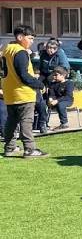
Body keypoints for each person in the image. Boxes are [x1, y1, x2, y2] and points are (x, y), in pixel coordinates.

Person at [1, 25, 48, 157]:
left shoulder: (6, 49)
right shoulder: (20, 52)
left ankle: (9, 147)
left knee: (11, 121)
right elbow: (24, 75)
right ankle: (30, 149)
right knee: (26, 121)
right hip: (23, 93)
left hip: (10, 92)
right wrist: (40, 85)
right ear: (20, 37)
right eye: (30, 38)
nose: (32, 41)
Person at [35, 39, 71, 133]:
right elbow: (40, 67)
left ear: (56, 49)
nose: (50, 50)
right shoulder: (43, 54)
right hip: (44, 75)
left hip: (56, 76)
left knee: (49, 97)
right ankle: (40, 122)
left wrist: (52, 79)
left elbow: (64, 69)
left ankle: (45, 122)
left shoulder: (60, 54)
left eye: (52, 48)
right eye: (48, 48)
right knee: (37, 88)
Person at [45, 66, 74, 131]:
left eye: (56, 75)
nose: (54, 76)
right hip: (56, 101)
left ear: (63, 75)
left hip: (67, 100)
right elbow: (52, 94)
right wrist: (50, 99)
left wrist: (57, 100)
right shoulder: (53, 84)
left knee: (61, 105)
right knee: (44, 104)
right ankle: (44, 124)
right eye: (53, 75)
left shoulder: (69, 83)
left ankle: (64, 123)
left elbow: (67, 96)